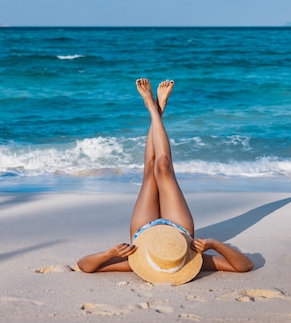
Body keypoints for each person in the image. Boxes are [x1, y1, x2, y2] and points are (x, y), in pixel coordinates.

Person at [77, 79, 253, 283]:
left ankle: (154, 108)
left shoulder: (135, 260)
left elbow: (85, 265)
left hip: (144, 231)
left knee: (151, 169)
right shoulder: (191, 260)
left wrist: (107, 254)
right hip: (179, 230)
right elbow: (244, 266)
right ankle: (156, 108)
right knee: (163, 166)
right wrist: (214, 244)